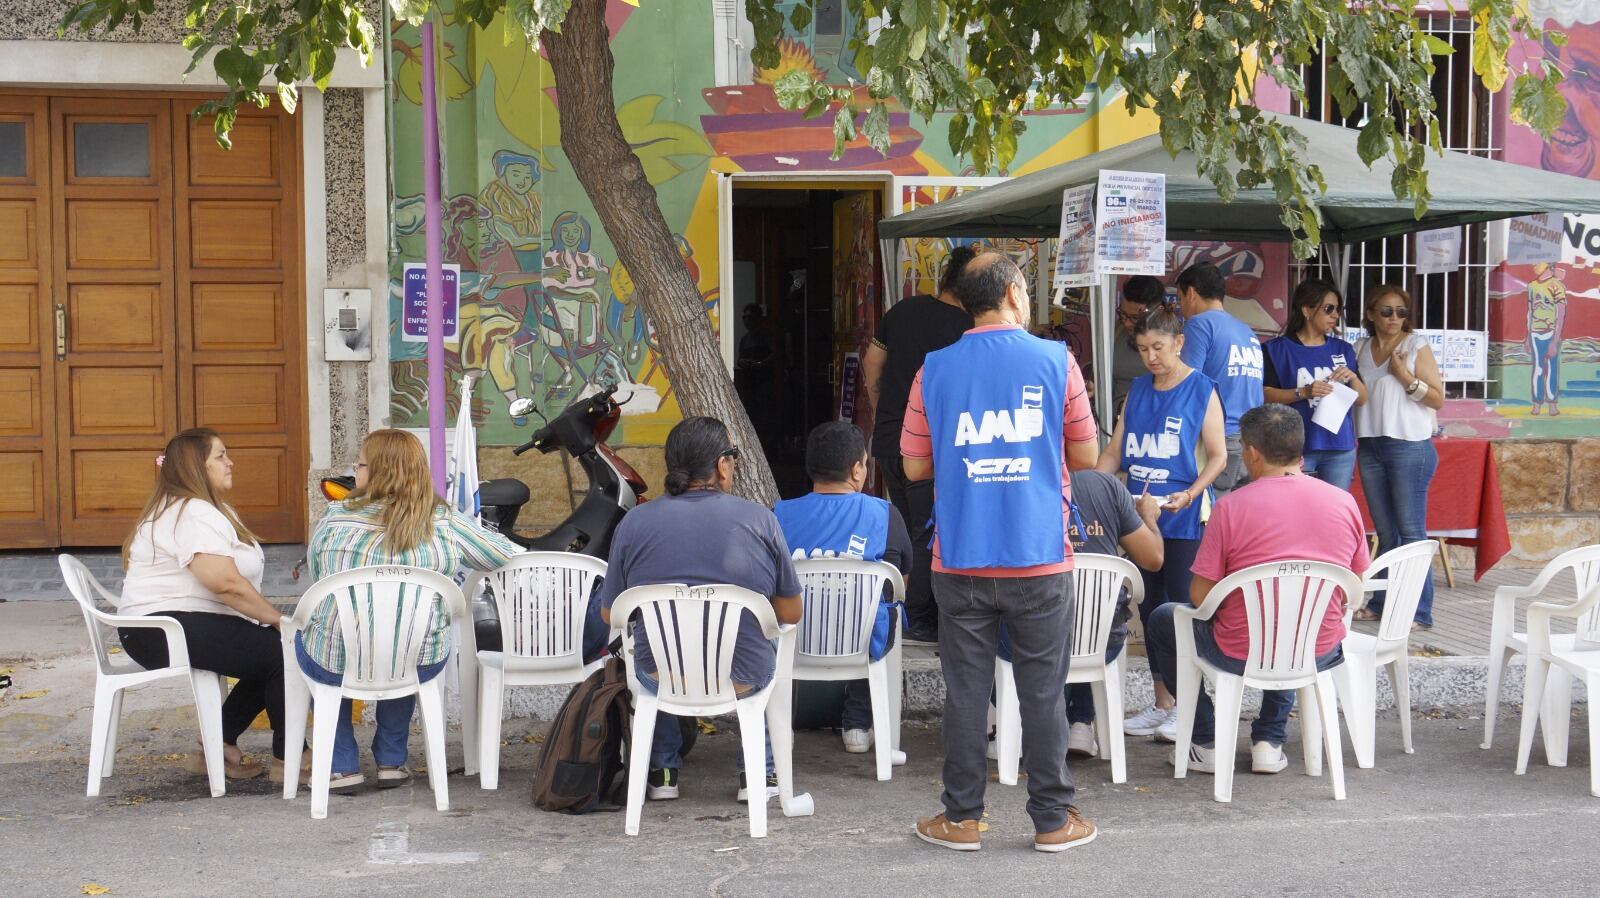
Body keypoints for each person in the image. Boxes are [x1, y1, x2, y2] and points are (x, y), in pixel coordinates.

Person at [902, 252, 1101, 853]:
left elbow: (914, 466)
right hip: (1039, 555)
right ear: (1015, 293)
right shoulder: (1057, 361)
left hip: (960, 556)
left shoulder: (933, 368)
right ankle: (1052, 820)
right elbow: (1086, 456)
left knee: (966, 692)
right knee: (1042, 690)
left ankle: (961, 819)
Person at [1144, 404, 1369, 774]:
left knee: (1164, 618)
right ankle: (1269, 738)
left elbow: (1200, 597)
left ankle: (1205, 740)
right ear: (1299, 447)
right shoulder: (1344, 501)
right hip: (1318, 647)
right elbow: (1355, 584)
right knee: (1291, 621)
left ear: (1251, 453)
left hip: (1239, 651)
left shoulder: (1230, 508)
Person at [297, 429, 520, 793]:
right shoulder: (443, 520)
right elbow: (502, 554)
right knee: (406, 642)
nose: (355, 472)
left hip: (337, 658)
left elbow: (318, 575)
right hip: (416, 658)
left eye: (360, 465)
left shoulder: (335, 518)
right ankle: (391, 761)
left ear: (379, 471)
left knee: (323, 644)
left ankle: (340, 765)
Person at [599, 417, 803, 803]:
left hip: (662, 676)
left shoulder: (634, 523)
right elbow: (791, 612)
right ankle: (759, 774)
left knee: (654, 643)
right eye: (733, 457)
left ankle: (661, 772)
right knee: (768, 639)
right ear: (722, 465)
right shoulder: (761, 520)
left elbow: (611, 615)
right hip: (743, 676)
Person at [116, 428, 298, 784]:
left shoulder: (202, 509)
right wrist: (279, 620)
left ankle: (221, 744)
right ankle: (292, 759)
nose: (230, 462)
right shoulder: (193, 512)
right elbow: (224, 584)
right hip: (163, 630)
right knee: (286, 650)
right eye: (220, 455)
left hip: (162, 628)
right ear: (198, 466)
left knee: (275, 648)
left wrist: (272, 622)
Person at [1095, 307, 1227, 741]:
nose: (1151, 357)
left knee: (1180, 611)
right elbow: (1115, 452)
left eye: (1158, 347)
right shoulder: (1137, 389)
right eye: (1143, 349)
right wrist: (1092, 489)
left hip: (1183, 516)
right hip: (1138, 514)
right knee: (1150, 607)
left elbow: (1218, 456)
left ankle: (1190, 706)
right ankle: (1162, 702)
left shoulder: (1201, 388)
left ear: (1179, 343)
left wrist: (1191, 493)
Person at [994, 469, 1165, 757]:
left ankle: (1022, 723)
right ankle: (1080, 722)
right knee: (1090, 618)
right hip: (1099, 642)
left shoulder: (1013, 479)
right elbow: (1153, 558)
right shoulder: (1107, 487)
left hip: (1028, 642)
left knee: (988, 616)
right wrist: (1148, 517)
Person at [773, 422, 913, 755]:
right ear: (856, 469)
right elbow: (901, 582)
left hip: (793, 640)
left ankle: (778, 730)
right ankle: (857, 725)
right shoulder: (885, 514)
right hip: (864, 643)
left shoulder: (779, 514)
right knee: (877, 612)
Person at [863, 245, 976, 646]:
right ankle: (920, 618)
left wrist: (882, 407)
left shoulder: (902, 310)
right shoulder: (967, 327)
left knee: (911, 528)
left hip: (889, 439)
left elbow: (872, 362)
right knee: (928, 532)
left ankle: (910, 611)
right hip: (930, 448)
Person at [1351, 285, 1445, 628]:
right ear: (1371, 314)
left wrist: (1404, 377)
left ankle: (1419, 612)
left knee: (1411, 531)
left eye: (1401, 312)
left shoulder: (1415, 345)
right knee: (1385, 532)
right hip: (1370, 444)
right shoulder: (1360, 348)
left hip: (1410, 444)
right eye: (1387, 311)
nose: (1394, 318)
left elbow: (1437, 398)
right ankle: (1382, 603)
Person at [1262, 279, 1369, 489]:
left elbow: (1363, 399)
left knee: (1333, 506)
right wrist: (1303, 392)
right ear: (1306, 310)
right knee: (1296, 505)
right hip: (1294, 447)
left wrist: (1353, 378)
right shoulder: (1276, 350)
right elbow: (1264, 394)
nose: (1335, 315)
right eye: (1329, 309)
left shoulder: (1343, 349)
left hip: (1339, 448)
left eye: (1338, 309)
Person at [1175, 261, 1264, 495]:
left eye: (1180, 298)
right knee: (1241, 514)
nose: (1181, 307)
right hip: (1252, 441)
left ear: (1191, 293)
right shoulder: (1247, 331)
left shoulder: (1198, 324)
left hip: (1220, 441)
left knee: (1210, 512)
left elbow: (1186, 384)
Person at [1111, 275, 1170, 412]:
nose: (1127, 323)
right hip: (1117, 418)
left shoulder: (1173, 343)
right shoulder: (1116, 333)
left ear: (1158, 311)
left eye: (1135, 318)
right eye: (1123, 314)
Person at [1526, 261, 1568, 415]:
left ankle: (1552, 404)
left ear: (1548, 265)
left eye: (1538, 262)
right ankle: (1537, 403)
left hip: (1551, 332)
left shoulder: (1557, 286)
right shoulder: (1531, 286)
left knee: (1551, 370)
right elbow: (1530, 311)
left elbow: (1561, 314)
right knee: (1537, 369)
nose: (1534, 265)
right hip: (1535, 333)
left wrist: (1554, 341)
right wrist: (1527, 336)